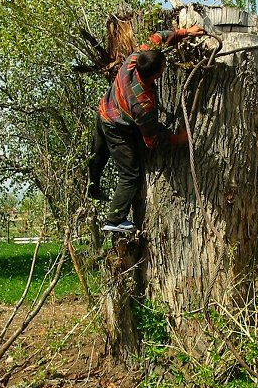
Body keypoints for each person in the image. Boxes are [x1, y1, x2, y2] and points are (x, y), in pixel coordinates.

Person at [88, 24, 205, 232]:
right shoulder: (142, 103)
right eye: (163, 66)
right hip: (117, 127)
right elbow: (151, 141)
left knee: (98, 156)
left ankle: (91, 186)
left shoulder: (134, 59)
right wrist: (178, 139)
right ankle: (114, 220)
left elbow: (158, 38)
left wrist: (184, 33)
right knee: (130, 175)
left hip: (105, 109)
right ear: (157, 74)